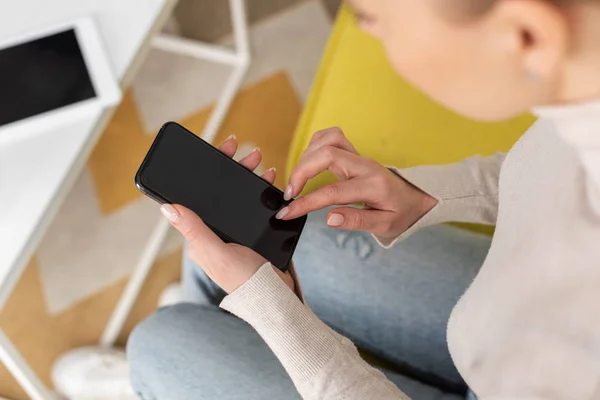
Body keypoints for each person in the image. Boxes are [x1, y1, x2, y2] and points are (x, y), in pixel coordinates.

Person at [127, 0, 600, 399]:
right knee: (269, 232)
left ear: (526, 35)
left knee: (157, 343)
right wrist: (425, 198)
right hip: (497, 307)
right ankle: (217, 325)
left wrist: (273, 312)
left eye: (374, 18)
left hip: (514, 364)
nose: (368, 29)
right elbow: (555, 164)